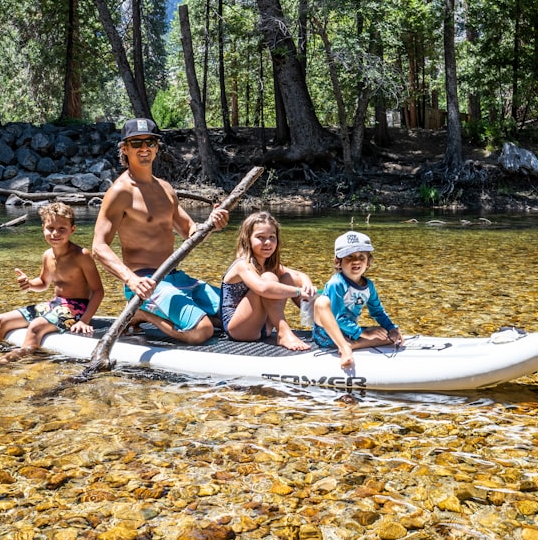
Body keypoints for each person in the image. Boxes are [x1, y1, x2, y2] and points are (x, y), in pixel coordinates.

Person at [92, 118, 229, 345]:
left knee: (237, 315)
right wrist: (131, 280)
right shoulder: (120, 192)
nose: (144, 148)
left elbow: (190, 232)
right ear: (124, 149)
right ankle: (142, 314)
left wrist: (210, 225)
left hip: (176, 277)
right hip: (145, 283)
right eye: (136, 143)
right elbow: (98, 247)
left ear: (157, 147)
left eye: (150, 142)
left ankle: (171, 312)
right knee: (202, 331)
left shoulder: (165, 188)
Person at [0, 202, 104, 365]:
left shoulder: (81, 255)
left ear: (72, 230)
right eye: (50, 228)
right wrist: (29, 284)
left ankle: (7, 360)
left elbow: (98, 291)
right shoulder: (48, 255)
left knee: (36, 327)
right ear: (43, 228)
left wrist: (84, 320)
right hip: (55, 304)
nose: (55, 233)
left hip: (77, 306)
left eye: (62, 229)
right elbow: (43, 283)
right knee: (1, 320)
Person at [221, 211, 315, 351]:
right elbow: (262, 288)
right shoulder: (242, 265)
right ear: (247, 239)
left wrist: (307, 284)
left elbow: (299, 276)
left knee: (287, 278)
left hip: (264, 327)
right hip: (240, 329)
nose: (267, 243)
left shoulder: (268, 265)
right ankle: (283, 332)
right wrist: (297, 291)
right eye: (260, 237)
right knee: (269, 278)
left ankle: (319, 324)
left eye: (272, 237)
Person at [311, 230, 403, 369]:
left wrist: (392, 328)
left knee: (390, 337)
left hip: (349, 332)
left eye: (361, 257)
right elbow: (337, 318)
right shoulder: (337, 284)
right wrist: (364, 333)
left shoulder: (369, 286)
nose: (356, 261)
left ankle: (353, 345)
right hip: (326, 334)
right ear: (338, 262)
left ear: (368, 262)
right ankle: (345, 348)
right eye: (349, 256)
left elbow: (378, 311)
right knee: (321, 302)